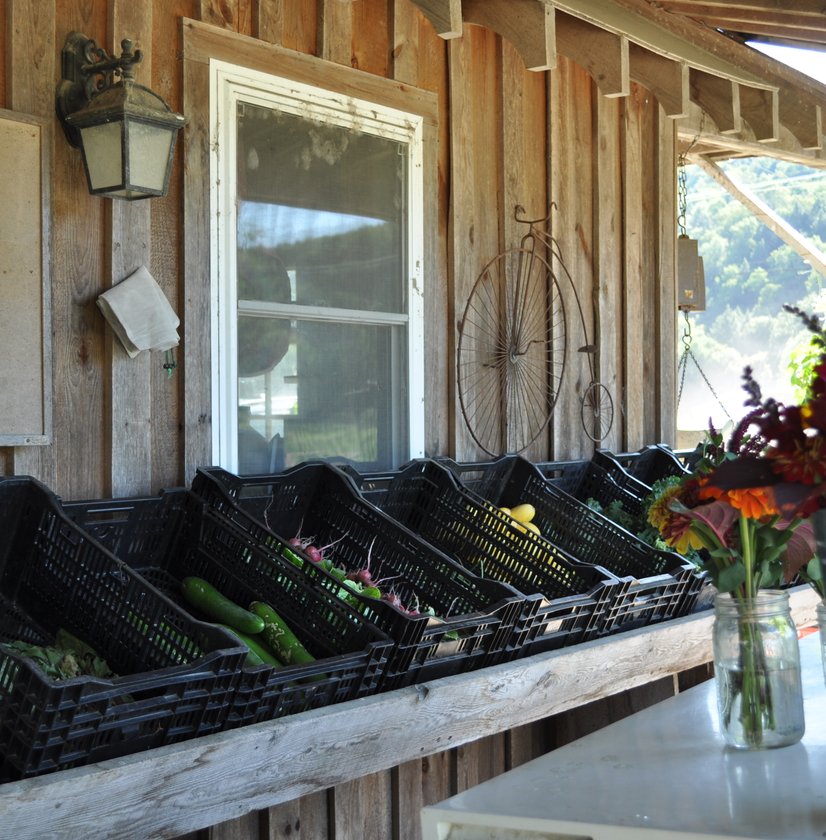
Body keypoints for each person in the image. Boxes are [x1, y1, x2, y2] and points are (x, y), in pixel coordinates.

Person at [237, 405, 271, 474]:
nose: (242, 417)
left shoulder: (258, 438)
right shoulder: (231, 436)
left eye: (244, 415)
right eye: (241, 415)